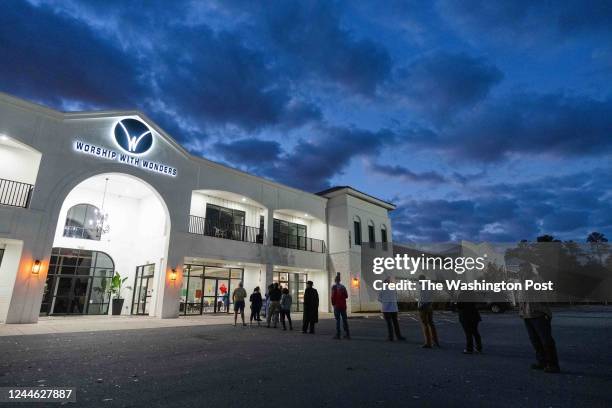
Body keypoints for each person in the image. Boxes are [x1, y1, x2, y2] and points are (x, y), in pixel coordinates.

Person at [518, 263, 560, 373]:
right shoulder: (523, 281)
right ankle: (542, 362)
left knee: (546, 340)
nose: (520, 271)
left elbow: (534, 294)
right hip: (527, 316)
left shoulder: (536, 279)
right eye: (520, 269)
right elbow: (522, 297)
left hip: (539, 314)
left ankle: (553, 365)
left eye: (522, 269)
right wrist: (521, 311)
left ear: (528, 270)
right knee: (535, 340)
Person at [377, 277, 405, 341]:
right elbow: (396, 297)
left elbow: (379, 299)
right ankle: (399, 336)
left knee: (389, 323)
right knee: (395, 323)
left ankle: (391, 337)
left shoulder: (381, 290)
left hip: (386, 309)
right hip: (394, 308)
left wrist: (384, 301)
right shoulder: (393, 289)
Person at [417, 274, 439, 348]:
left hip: (423, 306)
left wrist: (419, 305)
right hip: (429, 305)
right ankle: (435, 340)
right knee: (431, 323)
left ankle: (428, 343)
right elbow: (433, 295)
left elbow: (421, 297)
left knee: (425, 325)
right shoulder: (430, 285)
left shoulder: (421, 286)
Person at [331, 273, 350, 339]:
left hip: (337, 305)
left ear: (335, 280)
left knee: (337, 320)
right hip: (343, 305)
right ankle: (347, 334)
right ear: (340, 280)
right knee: (344, 320)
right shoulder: (343, 287)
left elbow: (333, 296)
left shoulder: (334, 287)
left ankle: (338, 334)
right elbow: (346, 296)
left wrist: (333, 304)